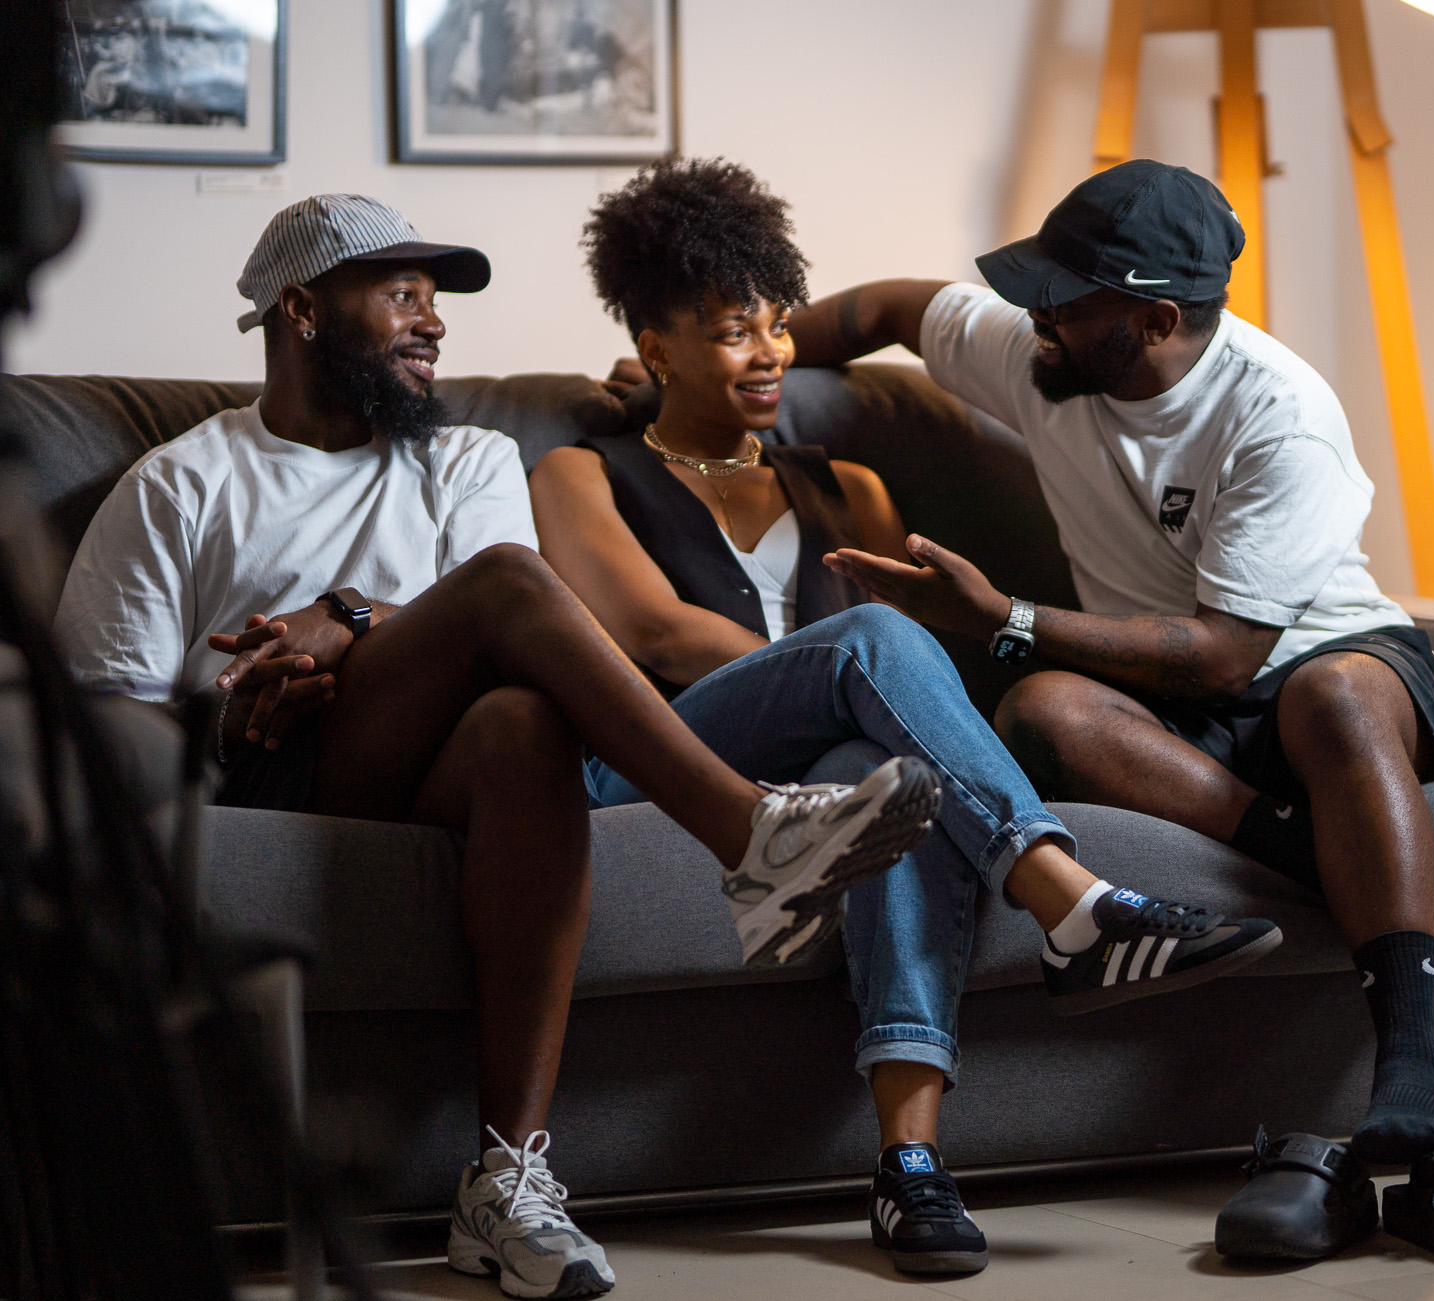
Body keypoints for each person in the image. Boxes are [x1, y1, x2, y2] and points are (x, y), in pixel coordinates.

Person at [52, 194, 946, 1301]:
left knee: (523, 723)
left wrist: (346, 617)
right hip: (271, 767)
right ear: (302, 309)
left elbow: (504, 628)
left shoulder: (467, 457)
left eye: (435, 301)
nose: (432, 322)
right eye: (401, 296)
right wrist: (230, 711)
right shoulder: (182, 484)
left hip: (436, 762)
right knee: (511, 591)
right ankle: (750, 832)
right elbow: (106, 719)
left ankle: (505, 1179)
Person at [786, 160, 1434, 1266]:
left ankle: (1410, 1054)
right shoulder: (1038, 354)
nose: (1035, 315)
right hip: (1171, 703)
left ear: (1154, 320)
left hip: (1328, 664)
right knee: (1043, 707)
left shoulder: (1278, 415)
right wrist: (761, 351)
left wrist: (1004, 614)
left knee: (1331, 697)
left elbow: (1224, 656)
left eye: (1064, 299)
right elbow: (884, 310)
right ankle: (1314, 860)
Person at [536, 158, 1283, 1277]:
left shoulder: (851, 486)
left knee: (907, 789)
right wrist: (841, 668)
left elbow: (896, 684)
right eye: (732, 332)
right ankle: (1070, 902)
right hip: (663, 758)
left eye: (778, 325)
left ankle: (911, 1166)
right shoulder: (580, 472)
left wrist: (873, 691)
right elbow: (653, 633)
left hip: (827, 773)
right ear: (655, 350)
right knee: (874, 645)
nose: (770, 352)